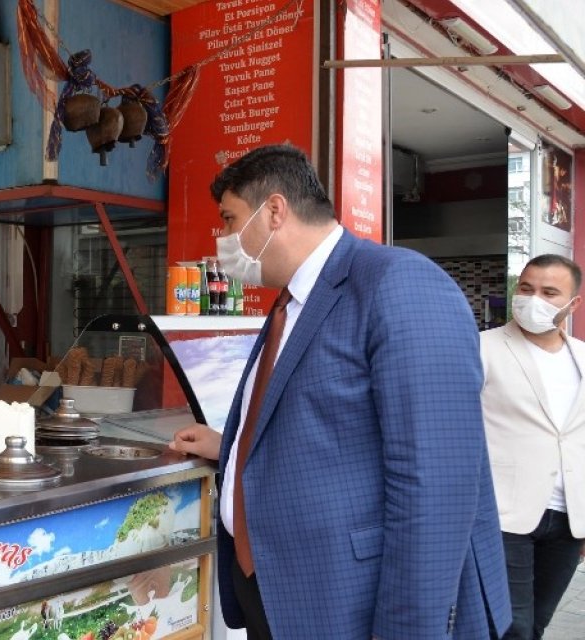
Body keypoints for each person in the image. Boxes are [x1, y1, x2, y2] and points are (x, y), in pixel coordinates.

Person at [168, 144, 511, 639]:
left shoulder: (398, 283)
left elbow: (436, 487)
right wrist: (232, 446)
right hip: (277, 590)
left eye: (228, 218)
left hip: (350, 600)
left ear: (275, 211)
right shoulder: (291, 303)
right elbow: (330, 431)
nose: (222, 237)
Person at [481, 254, 585, 640]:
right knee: (512, 628)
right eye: (526, 288)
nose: (532, 299)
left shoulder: (582, 357)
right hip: (504, 515)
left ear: (573, 304)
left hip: (567, 518)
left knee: (538, 622)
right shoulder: (482, 348)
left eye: (549, 292)